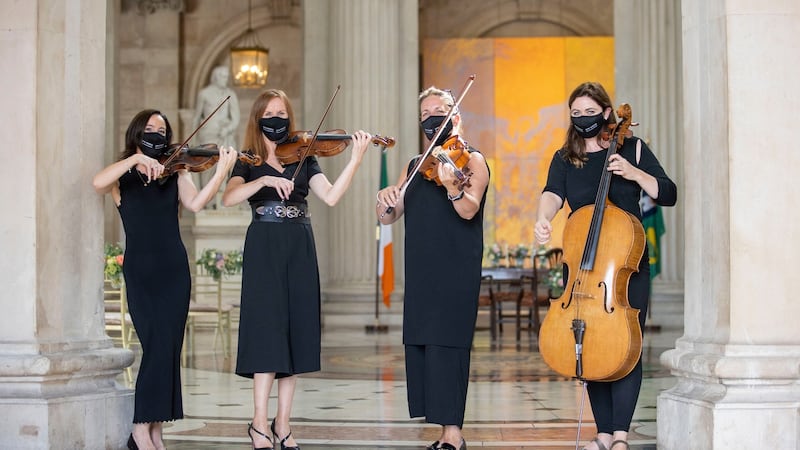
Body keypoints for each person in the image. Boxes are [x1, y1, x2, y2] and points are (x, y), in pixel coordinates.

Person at [222, 89, 371, 450]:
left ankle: (283, 424)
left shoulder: (304, 157)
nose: (278, 119)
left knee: (295, 334)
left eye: (283, 113)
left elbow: (331, 196)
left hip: (299, 245)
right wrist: (263, 181)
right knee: (266, 332)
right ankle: (258, 422)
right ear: (258, 118)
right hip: (264, 247)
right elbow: (229, 197)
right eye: (270, 113)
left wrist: (355, 158)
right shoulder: (248, 160)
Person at [533, 81, 677, 450]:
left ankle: (621, 437)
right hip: (582, 266)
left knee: (627, 346)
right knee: (590, 344)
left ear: (608, 113)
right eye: (576, 114)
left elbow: (668, 193)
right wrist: (543, 218)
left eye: (590, 112)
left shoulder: (632, 148)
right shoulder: (565, 156)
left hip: (625, 268)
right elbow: (552, 193)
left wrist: (632, 172)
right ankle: (601, 434)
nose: (583, 119)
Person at [92, 110, 237, 450]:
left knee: (168, 349)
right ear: (137, 132)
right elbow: (96, 182)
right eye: (150, 128)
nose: (157, 133)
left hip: (174, 270)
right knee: (155, 346)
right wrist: (137, 159)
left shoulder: (177, 170)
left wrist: (220, 172)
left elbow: (198, 203)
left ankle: (155, 430)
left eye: (162, 129)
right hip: (142, 271)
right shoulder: (122, 178)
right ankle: (140, 429)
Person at [376, 87, 490, 450]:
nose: (430, 118)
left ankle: (453, 436)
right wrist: (384, 200)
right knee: (424, 344)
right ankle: (442, 431)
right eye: (425, 113)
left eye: (438, 110)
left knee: (449, 345)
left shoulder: (472, 160)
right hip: (422, 268)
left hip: (456, 267)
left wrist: (450, 185)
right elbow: (390, 216)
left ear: (454, 115)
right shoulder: (413, 164)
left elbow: (468, 210)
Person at [193, 65, 241, 208]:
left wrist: (228, 129)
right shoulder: (204, 94)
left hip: (224, 134)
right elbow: (197, 117)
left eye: (226, 77)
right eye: (222, 76)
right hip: (208, 134)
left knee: (227, 162)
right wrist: (194, 136)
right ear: (215, 77)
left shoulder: (230, 94)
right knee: (208, 165)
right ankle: (208, 200)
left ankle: (223, 196)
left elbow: (236, 117)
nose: (224, 79)